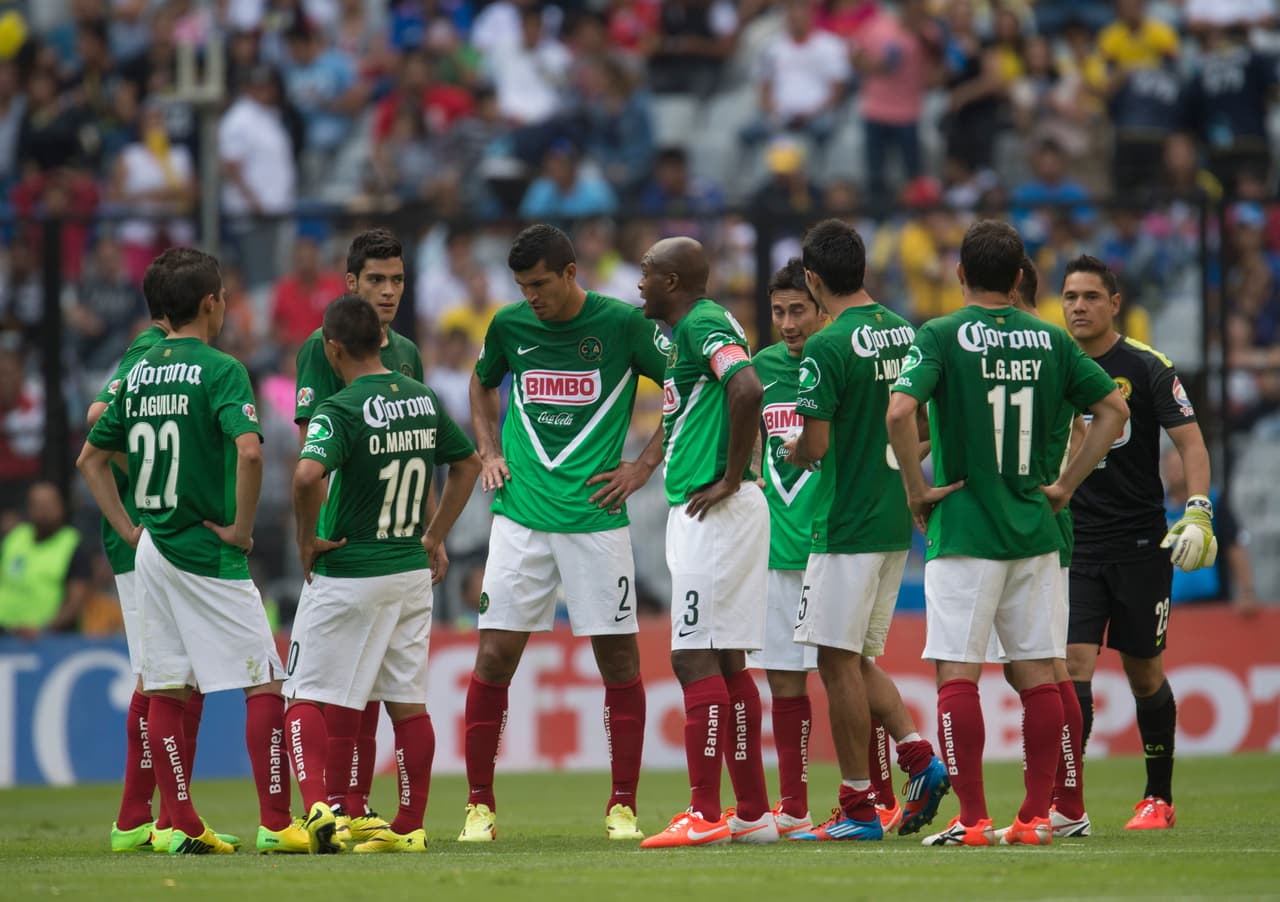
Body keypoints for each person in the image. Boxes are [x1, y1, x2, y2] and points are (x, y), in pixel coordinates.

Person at [886, 221, 1128, 847]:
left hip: (965, 526)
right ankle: (1036, 817)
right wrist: (1067, 484)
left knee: (958, 676)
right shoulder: (1053, 340)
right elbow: (1113, 411)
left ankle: (972, 820)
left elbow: (899, 410)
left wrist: (917, 488)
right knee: (1040, 676)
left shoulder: (938, 333)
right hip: (1035, 531)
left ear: (960, 276)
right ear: (1021, 277)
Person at [78, 247, 300, 855]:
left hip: (151, 546)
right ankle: (278, 822)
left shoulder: (142, 366)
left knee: (168, 685)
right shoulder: (223, 368)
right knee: (264, 679)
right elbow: (252, 453)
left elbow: (90, 457)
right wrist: (243, 530)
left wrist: (130, 530)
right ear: (211, 304)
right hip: (206, 548)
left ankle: (176, 820)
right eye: (225, 297)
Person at [461, 224, 667, 842]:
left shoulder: (624, 326)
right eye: (523, 287)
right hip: (520, 518)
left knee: (619, 660)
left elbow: (687, 392)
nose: (532, 298)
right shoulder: (509, 327)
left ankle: (622, 806)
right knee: (494, 657)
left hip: (595, 519)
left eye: (541, 285)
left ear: (572, 273)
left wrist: (643, 464)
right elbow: (481, 381)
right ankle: (478, 807)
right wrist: (488, 449)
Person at [285, 295, 480, 854]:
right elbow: (464, 464)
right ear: (381, 342)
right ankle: (411, 825)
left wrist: (306, 538)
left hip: (349, 569)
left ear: (333, 347)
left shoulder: (341, 408)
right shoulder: (422, 398)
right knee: (407, 703)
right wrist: (436, 534)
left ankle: (320, 807)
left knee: (302, 694)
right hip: (409, 569)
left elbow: (304, 477)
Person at [780, 220, 949, 842]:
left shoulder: (826, 347)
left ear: (815, 281)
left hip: (845, 521)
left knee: (832, 660)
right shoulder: (906, 330)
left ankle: (856, 808)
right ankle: (918, 759)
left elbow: (817, 444)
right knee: (853, 656)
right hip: (890, 519)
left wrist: (795, 449)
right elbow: (923, 427)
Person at [1061, 254, 1217, 831]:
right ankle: (1066, 801)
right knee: (1072, 664)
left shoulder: (1148, 366)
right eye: (1071, 296)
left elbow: (1192, 446)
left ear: (1114, 303)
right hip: (1074, 541)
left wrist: (1198, 509)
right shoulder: (1053, 361)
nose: (1079, 306)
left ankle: (1158, 798)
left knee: (1143, 674)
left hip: (1140, 543)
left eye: (1091, 297)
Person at [636, 236, 774, 849]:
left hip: (715, 511)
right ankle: (751, 813)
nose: (638, 284)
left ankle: (703, 811)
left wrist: (728, 474)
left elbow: (747, 389)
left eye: (645, 273)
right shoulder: (691, 329)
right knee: (725, 659)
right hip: (714, 510)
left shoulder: (702, 322)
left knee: (692, 656)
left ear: (670, 281)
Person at [294, 228, 425, 847]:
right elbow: (311, 453)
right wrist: (314, 533)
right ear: (351, 283)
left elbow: (421, 456)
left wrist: (429, 530)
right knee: (347, 687)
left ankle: (351, 802)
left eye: (397, 280)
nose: (389, 290)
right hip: (342, 542)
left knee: (369, 687)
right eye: (376, 279)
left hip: (397, 543)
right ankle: (342, 801)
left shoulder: (407, 353)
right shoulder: (320, 350)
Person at [83, 269, 210, 854]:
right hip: (150, 537)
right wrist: (153, 487)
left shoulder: (153, 351)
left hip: (154, 537)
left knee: (175, 674)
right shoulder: (148, 351)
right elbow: (95, 419)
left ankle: (144, 814)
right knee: (165, 676)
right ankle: (149, 816)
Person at [987, 255, 1092, 839]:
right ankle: (1065, 801)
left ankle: (1068, 803)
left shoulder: (1039, 347)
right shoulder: (1049, 348)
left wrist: (1062, 486)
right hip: (1040, 518)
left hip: (1035, 521)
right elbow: (1082, 426)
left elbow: (1088, 426)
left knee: (1045, 666)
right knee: (1034, 666)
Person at [746, 258, 826, 838]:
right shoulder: (759, 370)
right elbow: (751, 455)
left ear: (821, 306)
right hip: (775, 552)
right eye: (778, 311)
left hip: (833, 545)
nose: (788, 322)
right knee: (782, 681)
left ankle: (874, 797)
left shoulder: (840, 362)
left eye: (798, 309)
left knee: (851, 676)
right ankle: (794, 808)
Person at [1162, 446, 1258, 612]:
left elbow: (1234, 545)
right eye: (1170, 467)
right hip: (1169, 605)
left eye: (1179, 466)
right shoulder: (1156, 508)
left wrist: (1246, 591)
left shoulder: (1212, 501)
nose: (1175, 472)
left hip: (1211, 604)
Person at [0, 481, 91, 636]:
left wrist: (45, 630)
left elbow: (76, 601)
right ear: (29, 509)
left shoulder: (72, 545)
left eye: (49, 505)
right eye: (38, 505)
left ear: (61, 507)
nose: (44, 511)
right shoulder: (14, 538)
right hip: (5, 635)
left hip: (47, 639)